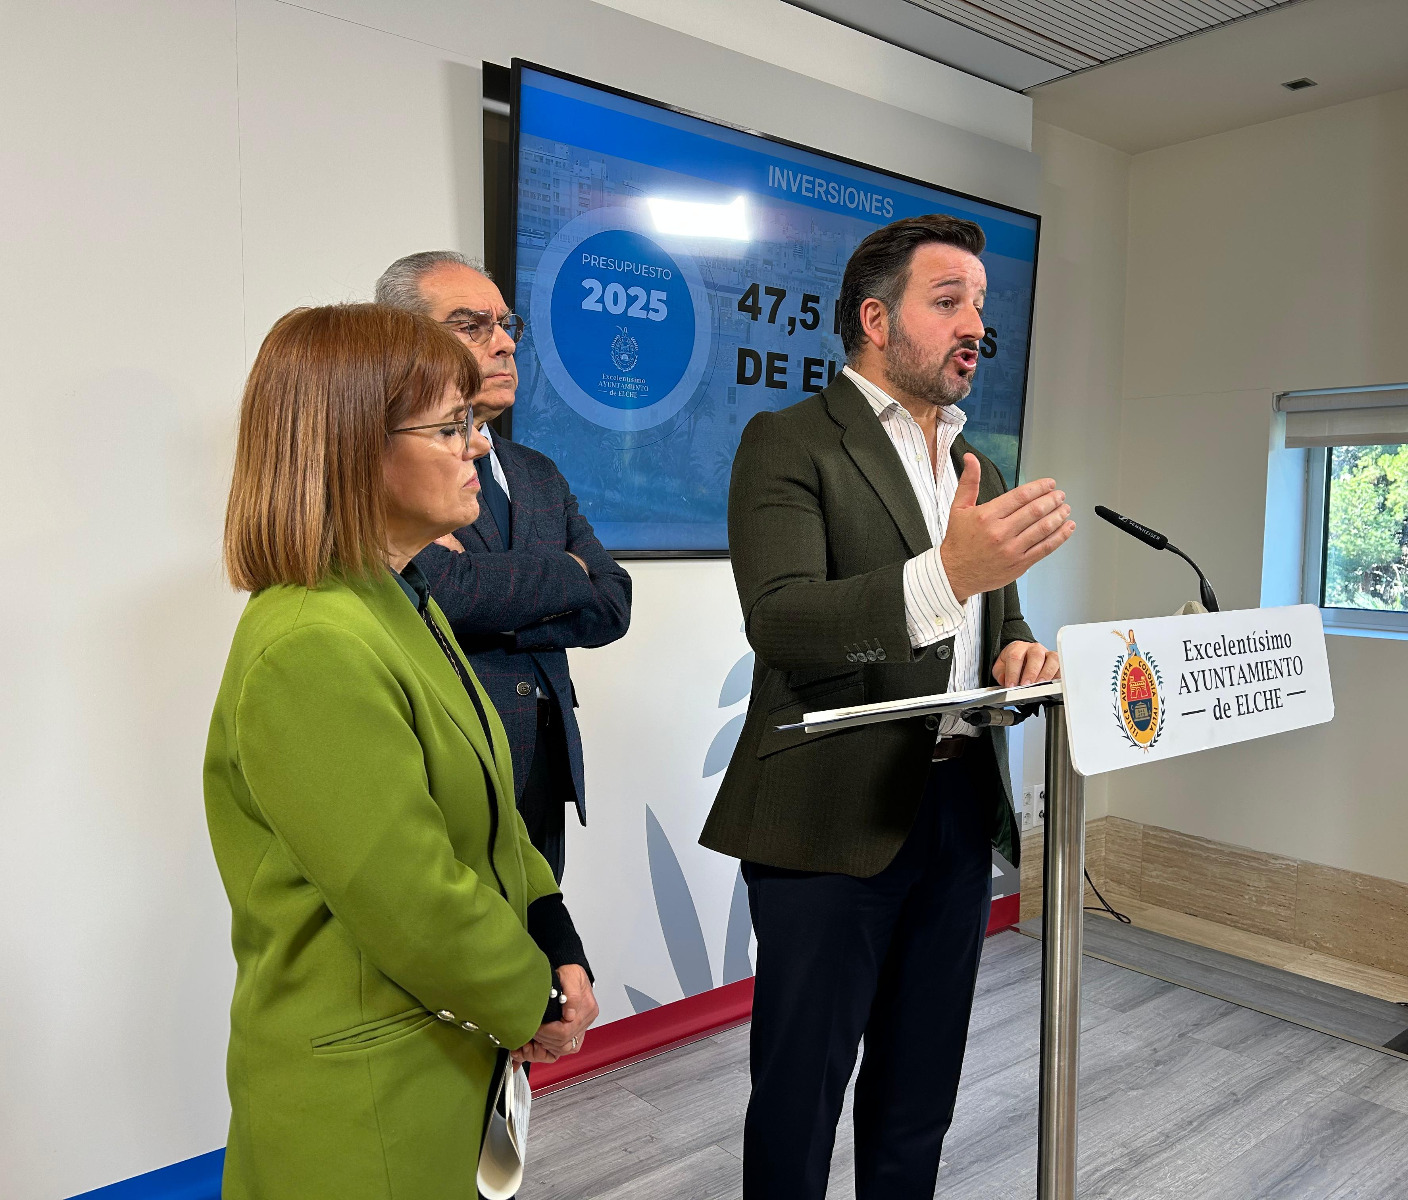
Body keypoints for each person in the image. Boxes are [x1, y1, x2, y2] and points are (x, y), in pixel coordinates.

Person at [700, 214, 1076, 1200]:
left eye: (980, 306)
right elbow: (783, 623)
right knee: (800, 1096)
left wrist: (1020, 654)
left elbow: (998, 622)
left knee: (920, 1093)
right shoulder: (787, 441)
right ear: (875, 320)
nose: (974, 327)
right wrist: (949, 572)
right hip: (829, 814)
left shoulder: (976, 463)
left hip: (956, 809)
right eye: (947, 302)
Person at [204, 304, 599, 1199]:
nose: (480, 446)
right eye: (453, 427)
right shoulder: (312, 641)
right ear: (353, 450)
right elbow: (411, 897)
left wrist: (552, 932)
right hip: (365, 1099)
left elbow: (487, 809)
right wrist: (532, 1000)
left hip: (438, 1055)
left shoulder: (397, 601)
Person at [376, 251, 631, 884]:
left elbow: (612, 601)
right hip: (447, 761)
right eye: (472, 326)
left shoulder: (536, 471)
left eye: (505, 323)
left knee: (542, 929)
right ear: (403, 341)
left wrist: (497, 601)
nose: (505, 344)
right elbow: (445, 593)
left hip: (545, 756)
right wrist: (566, 571)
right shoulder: (385, 465)